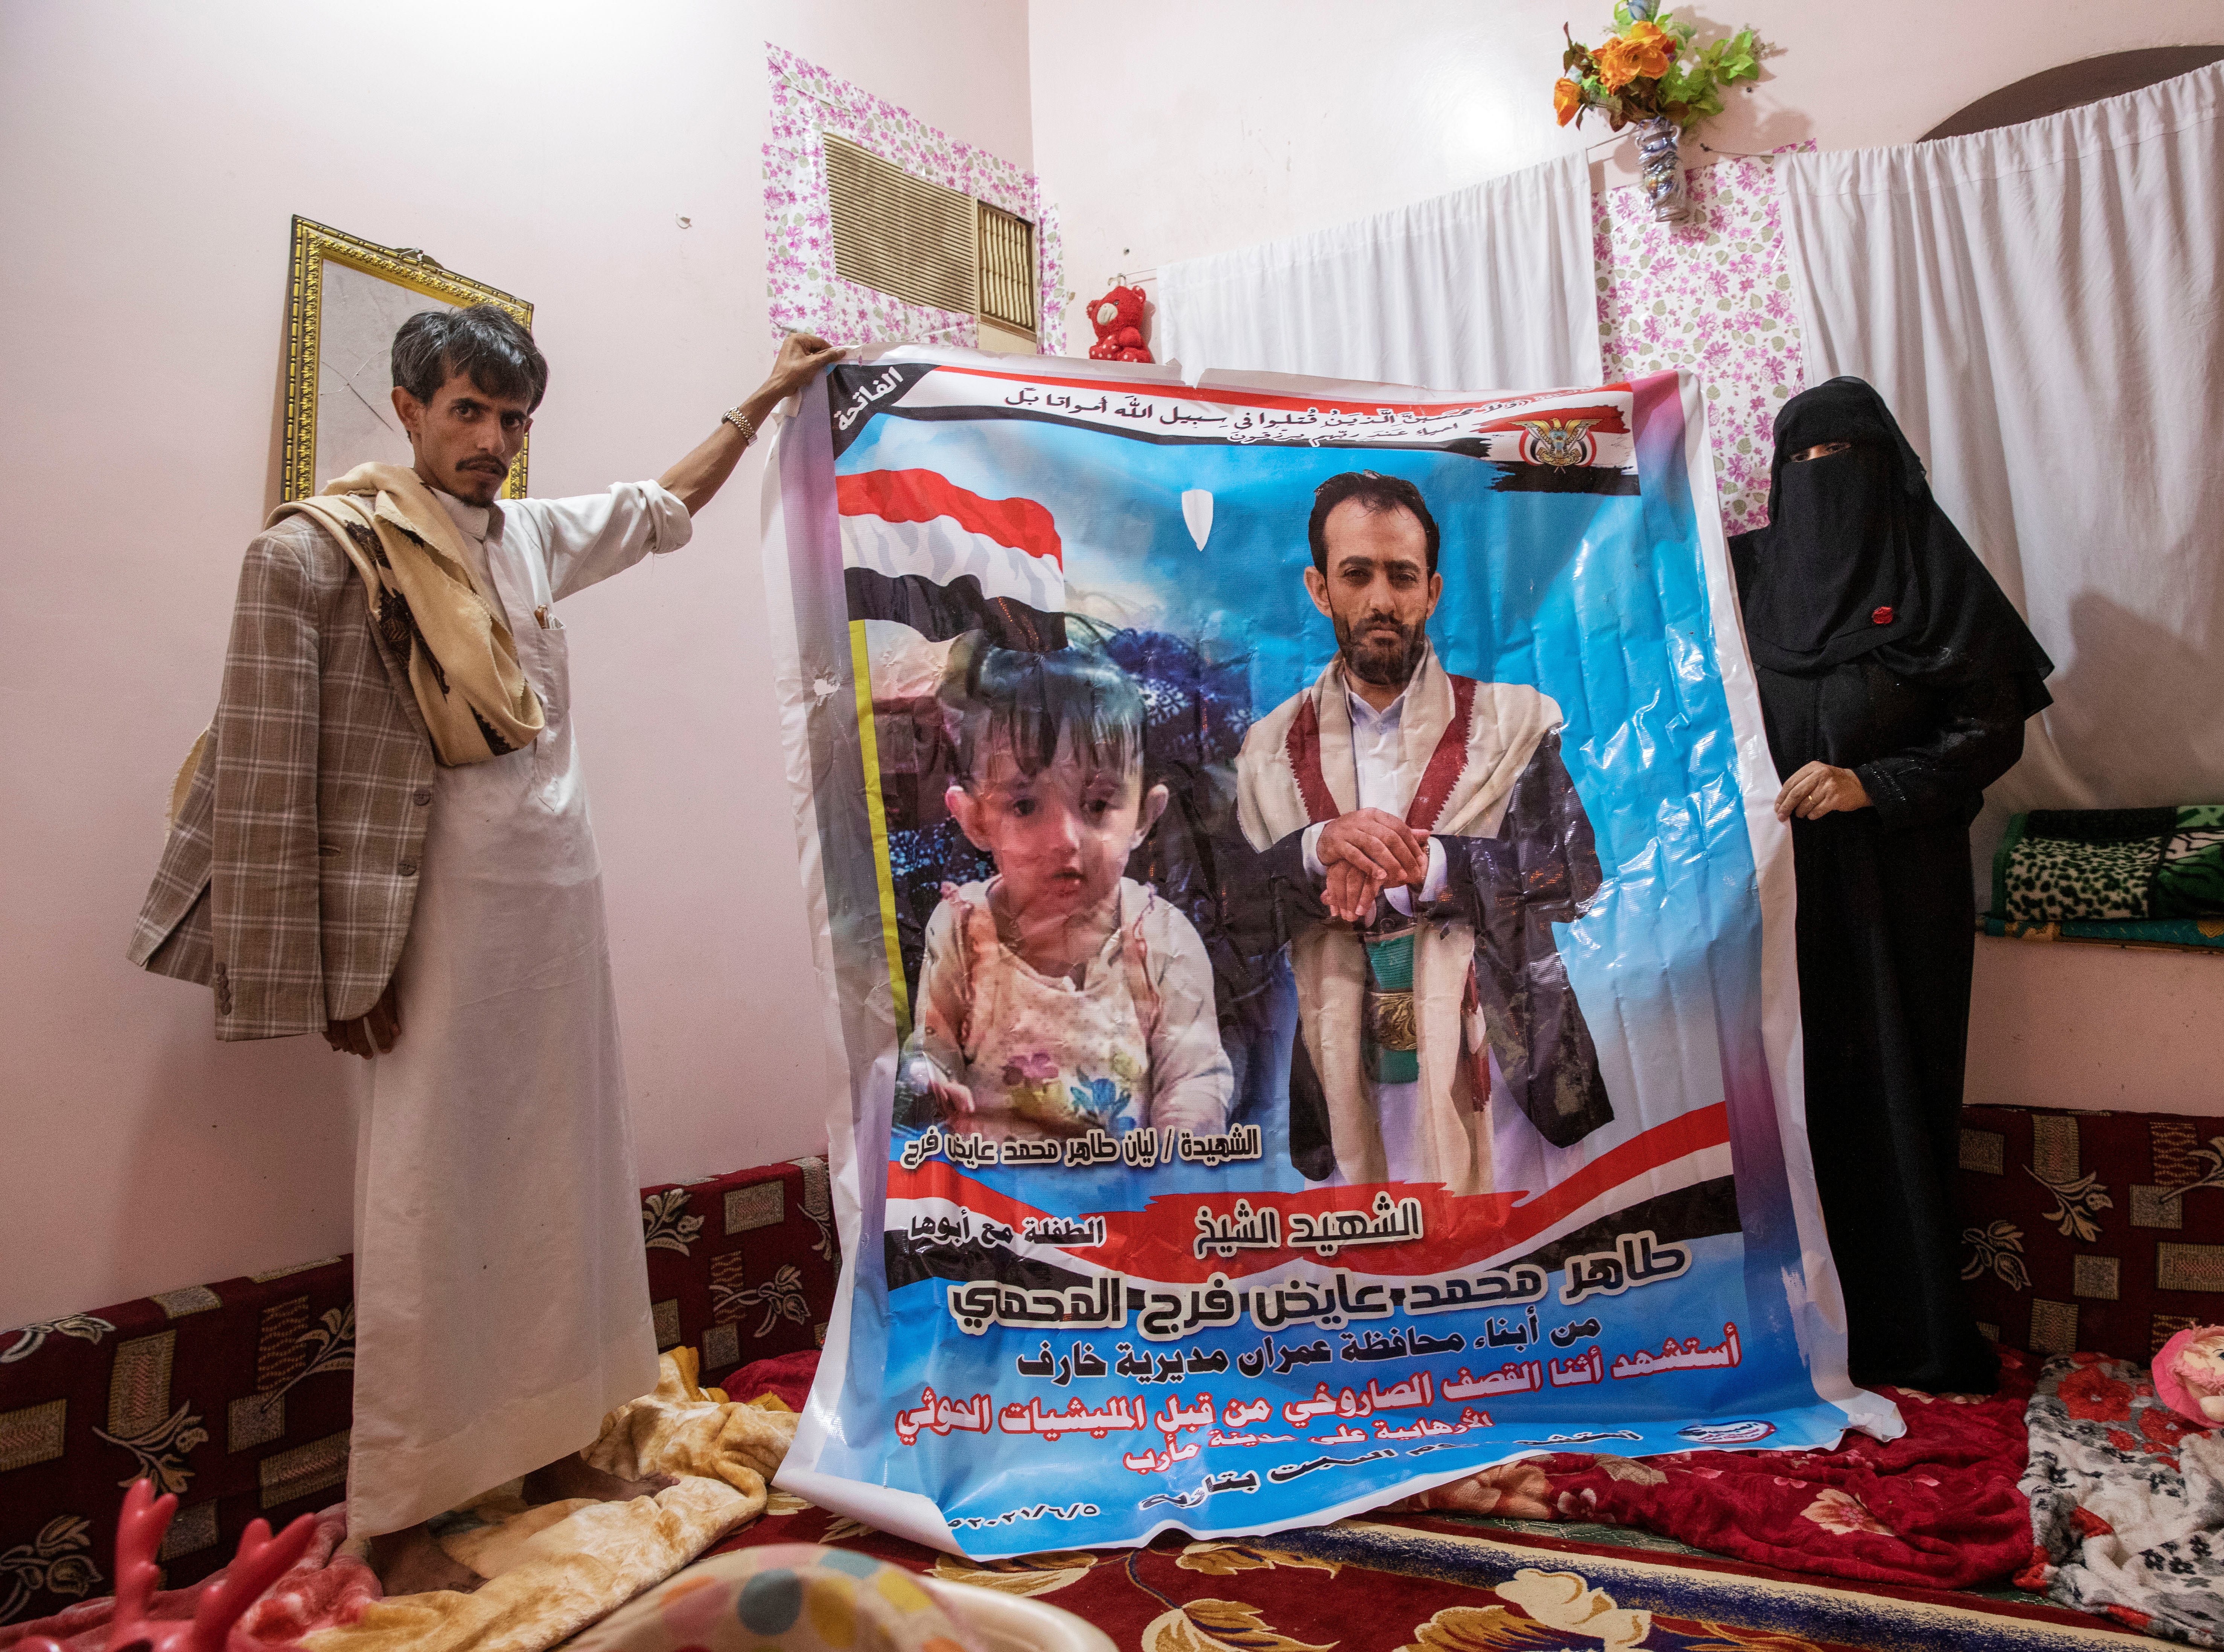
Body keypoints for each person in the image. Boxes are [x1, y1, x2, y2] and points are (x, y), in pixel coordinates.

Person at [127, 304, 840, 1593]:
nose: (493, 443)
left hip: (555, 912)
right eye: (468, 413)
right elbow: (265, 773)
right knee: (428, 1201)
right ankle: (398, 1516)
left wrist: (768, 394)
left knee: (561, 1182)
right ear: (407, 408)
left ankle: (565, 1446)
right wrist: (330, 979)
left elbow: (659, 504)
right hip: (426, 926)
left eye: (512, 422)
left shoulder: (523, 539)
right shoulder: (317, 554)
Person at [1727, 376, 2054, 1393]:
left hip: (1899, 885)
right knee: (1779, 1094)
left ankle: (1904, 1332)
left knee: (1893, 1095)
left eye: (1847, 465)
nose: (1828, 488)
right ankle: (1780, 1326)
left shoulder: (1933, 576)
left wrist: (1872, 782)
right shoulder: (1739, 573)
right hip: (1771, 891)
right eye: (1806, 469)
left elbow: (1990, 727)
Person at [1235, 471, 1613, 1197]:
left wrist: (1436, 866)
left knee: (1518, 1269)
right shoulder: (1265, 751)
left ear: (1432, 592)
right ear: (1321, 589)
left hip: (1502, 1081)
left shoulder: (1515, 725)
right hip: (1337, 1077)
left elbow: (1572, 873)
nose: (1381, 600)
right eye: (1357, 575)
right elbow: (1232, 914)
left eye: (1401, 576)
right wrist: (1317, 852)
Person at [897, 627, 1232, 1142]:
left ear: (1146, 815)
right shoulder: (963, 929)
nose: (1065, 839)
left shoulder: (1161, 942)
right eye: (1025, 806)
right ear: (975, 819)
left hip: (1126, 1206)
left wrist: (1178, 1157)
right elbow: (931, 1049)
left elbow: (1194, 1075)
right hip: (996, 1209)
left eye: (1097, 805)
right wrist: (927, 1083)